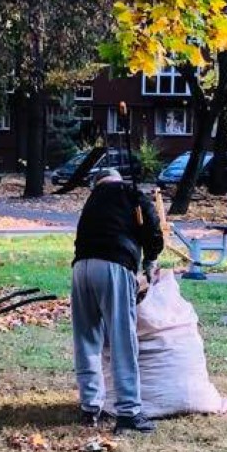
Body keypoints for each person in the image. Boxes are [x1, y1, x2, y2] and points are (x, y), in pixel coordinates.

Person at [71, 168, 165, 434]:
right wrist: (151, 259)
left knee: (86, 338)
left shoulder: (92, 200)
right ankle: (129, 412)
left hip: (81, 269)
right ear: (117, 178)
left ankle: (90, 407)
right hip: (113, 266)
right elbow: (152, 226)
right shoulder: (130, 192)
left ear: (97, 182)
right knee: (122, 338)